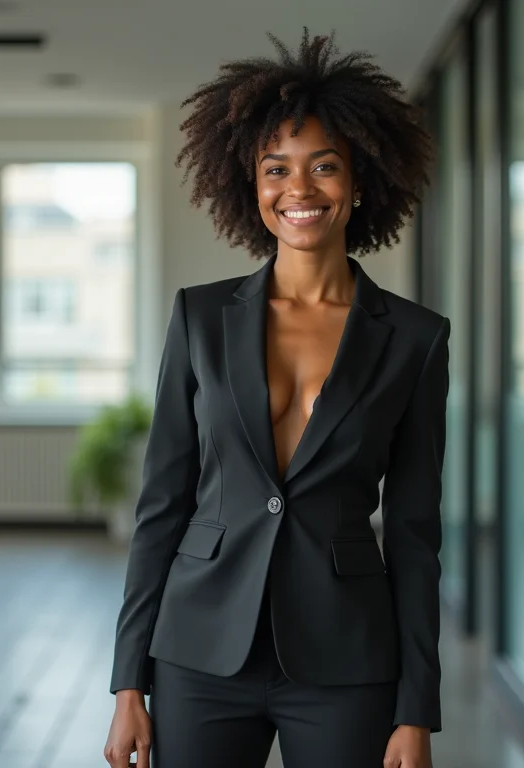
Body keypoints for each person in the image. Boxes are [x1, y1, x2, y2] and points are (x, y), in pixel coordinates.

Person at [104, 27, 450, 768]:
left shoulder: (416, 340)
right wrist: (128, 682)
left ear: (359, 183)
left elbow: (418, 536)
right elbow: (161, 506)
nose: (299, 189)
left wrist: (417, 708)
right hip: (198, 652)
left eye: (324, 166)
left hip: (347, 661)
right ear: (250, 184)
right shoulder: (200, 317)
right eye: (276, 169)